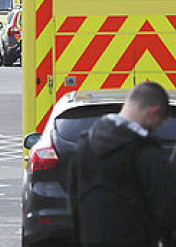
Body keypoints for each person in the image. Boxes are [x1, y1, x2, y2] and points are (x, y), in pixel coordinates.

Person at [68, 81, 176, 247]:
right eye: (159, 122)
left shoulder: (83, 147)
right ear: (153, 112)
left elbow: (75, 205)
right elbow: (167, 209)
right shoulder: (147, 154)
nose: (156, 127)